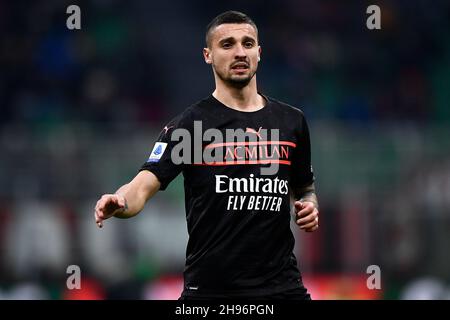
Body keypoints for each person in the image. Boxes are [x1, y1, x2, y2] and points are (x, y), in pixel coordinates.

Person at [94, 10, 319, 300]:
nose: (240, 52)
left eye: (247, 44)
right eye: (227, 45)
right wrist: (120, 201)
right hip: (211, 293)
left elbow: (304, 187)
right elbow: (143, 184)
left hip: (283, 290)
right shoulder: (190, 126)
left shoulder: (292, 122)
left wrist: (308, 205)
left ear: (259, 53)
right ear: (207, 55)